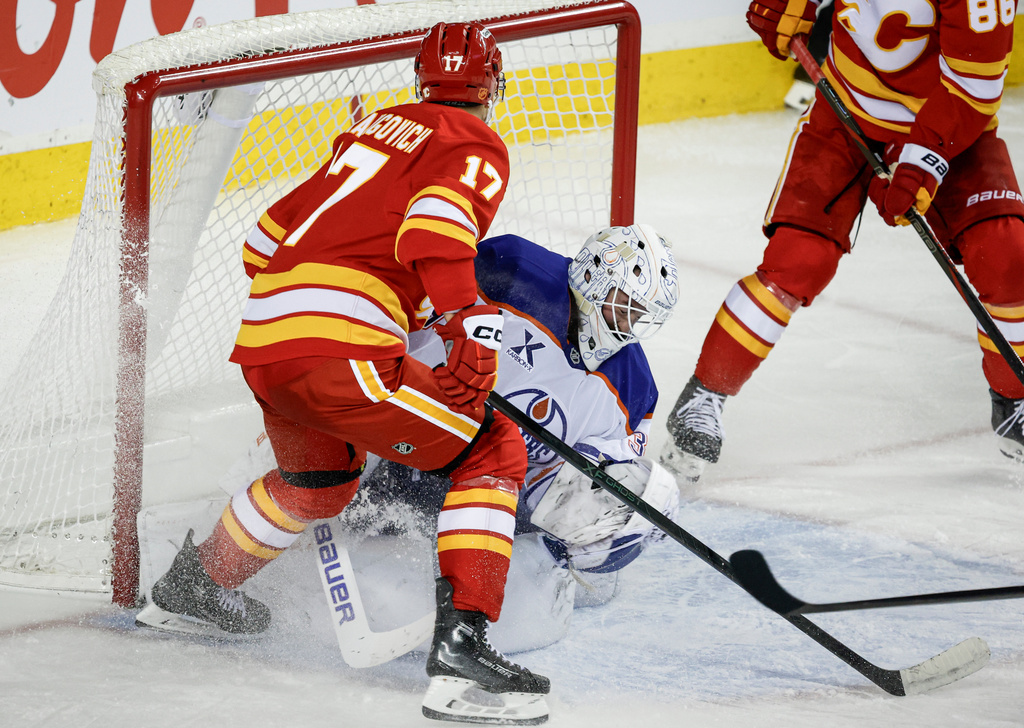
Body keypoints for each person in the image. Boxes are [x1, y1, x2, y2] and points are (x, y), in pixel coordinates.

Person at [135, 21, 552, 724]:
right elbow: (435, 233)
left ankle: (194, 588)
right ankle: (461, 654)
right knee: (492, 447)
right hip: (340, 346)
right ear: (492, 84)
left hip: (267, 345)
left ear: (422, 80)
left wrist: (386, 305)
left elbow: (264, 240)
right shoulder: (473, 140)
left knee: (318, 484)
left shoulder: (371, 134)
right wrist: (463, 325)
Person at [662, 0, 1024, 483]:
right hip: (846, 114)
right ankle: (704, 396)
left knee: (1007, 257)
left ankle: (1014, 401)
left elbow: (974, 87)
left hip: (953, 132)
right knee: (797, 262)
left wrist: (923, 161)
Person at [343, 224, 681, 647]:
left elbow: (574, 487)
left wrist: (610, 524)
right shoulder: (513, 272)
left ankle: (493, 599)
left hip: (499, 492)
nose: (627, 324)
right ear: (592, 278)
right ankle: (324, 479)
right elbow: (410, 325)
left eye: (638, 315)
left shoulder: (633, 388)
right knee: (365, 390)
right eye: (623, 306)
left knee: (650, 492)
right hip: (410, 440)